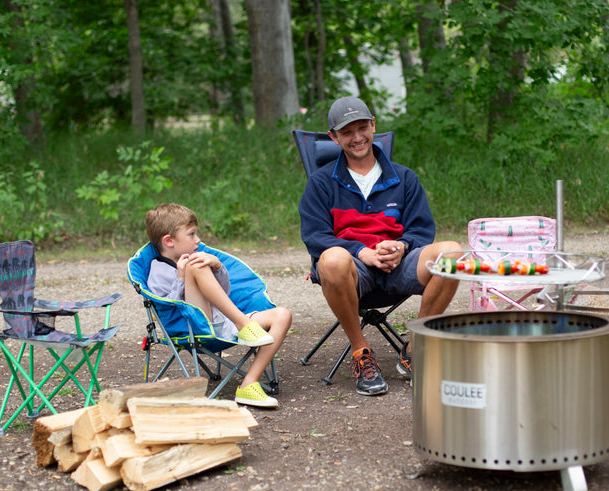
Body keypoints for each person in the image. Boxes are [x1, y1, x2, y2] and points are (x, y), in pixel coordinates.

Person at [298, 96, 461, 396]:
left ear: (374, 126)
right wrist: (363, 252)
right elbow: (315, 236)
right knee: (331, 259)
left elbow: (421, 230)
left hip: (399, 265)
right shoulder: (321, 183)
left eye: (363, 127)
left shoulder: (404, 178)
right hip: (353, 272)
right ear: (333, 137)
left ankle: (416, 349)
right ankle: (361, 354)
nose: (357, 137)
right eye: (347, 132)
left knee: (452, 253)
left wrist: (401, 246)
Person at [145, 203, 292, 408]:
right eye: (192, 234)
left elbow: (223, 292)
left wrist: (217, 265)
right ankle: (244, 324)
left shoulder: (197, 258)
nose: (198, 240)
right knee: (193, 268)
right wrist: (181, 277)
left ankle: (249, 383)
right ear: (169, 241)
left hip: (226, 321)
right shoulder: (157, 270)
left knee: (283, 314)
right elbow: (167, 305)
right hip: (195, 326)